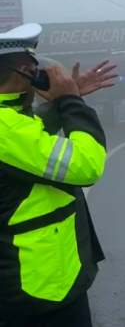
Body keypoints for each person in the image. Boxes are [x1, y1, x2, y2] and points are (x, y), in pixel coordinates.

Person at [0, 23, 117, 327]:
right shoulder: (6, 129)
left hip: (39, 280)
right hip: (40, 289)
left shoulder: (11, 122)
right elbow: (86, 164)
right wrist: (71, 103)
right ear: (26, 71)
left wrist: (64, 101)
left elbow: (31, 147)